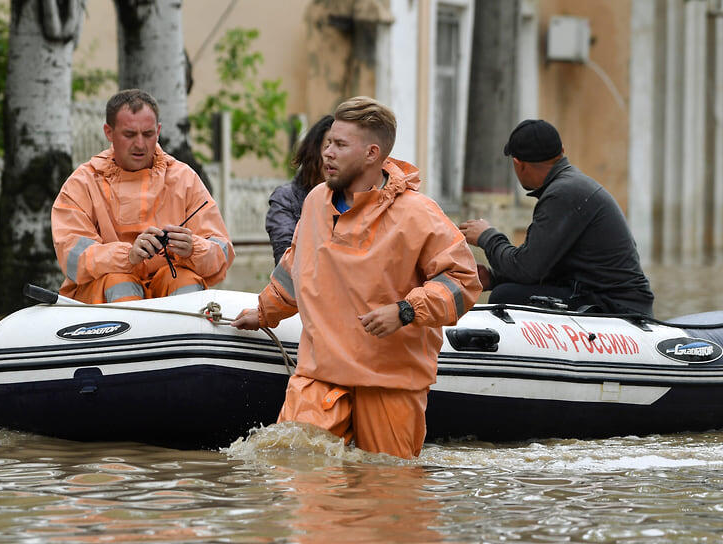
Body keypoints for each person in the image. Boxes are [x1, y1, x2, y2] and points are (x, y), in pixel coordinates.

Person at [231, 96, 481, 459]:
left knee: (387, 493)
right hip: (320, 374)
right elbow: (295, 269)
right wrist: (264, 312)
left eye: (340, 145)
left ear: (371, 153)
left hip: (391, 381)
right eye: (328, 142)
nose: (327, 153)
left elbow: (463, 281)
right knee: (295, 469)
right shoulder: (316, 201)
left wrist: (405, 311)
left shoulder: (418, 214)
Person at [52, 89, 234, 303]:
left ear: (158, 131)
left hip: (169, 286)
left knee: (184, 280)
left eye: (148, 134)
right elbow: (72, 257)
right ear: (108, 133)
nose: (140, 144)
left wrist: (193, 248)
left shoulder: (184, 178)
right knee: (118, 281)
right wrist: (128, 256)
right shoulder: (82, 183)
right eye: (129, 135)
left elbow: (222, 253)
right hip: (104, 304)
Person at [458, 119, 654, 315]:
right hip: (616, 300)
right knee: (505, 290)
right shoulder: (569, 186)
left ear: (519, 164)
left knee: (506, 297)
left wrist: (487, 237)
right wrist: (493, 278)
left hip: (618, 307)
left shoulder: (563, 193)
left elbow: (525, 269)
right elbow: (544, 266)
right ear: (561, 150)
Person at [265, 115, 334, 264]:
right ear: (313, 152)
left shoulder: (357, 196)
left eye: (342, 147)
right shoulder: (286, 199)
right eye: (328, 146)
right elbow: (285, 261)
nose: (333, 155)